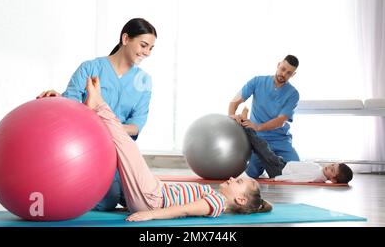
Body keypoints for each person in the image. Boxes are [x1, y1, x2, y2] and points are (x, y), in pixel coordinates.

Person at [84, 76, 273, 221]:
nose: (233, 178)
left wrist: (150, 215)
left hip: (153, 199)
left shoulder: (218, 203)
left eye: (239, 183)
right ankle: (96, 110)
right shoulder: (216, 197)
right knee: (123, 154)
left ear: (240, 200)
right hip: (152, 194)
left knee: (126, 146)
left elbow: (184, 210)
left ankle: (99, 105)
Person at [37, 18, 157, 211]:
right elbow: (71, 106)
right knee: (107, 200)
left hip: (121, 155)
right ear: (126, 39)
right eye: (144, 45)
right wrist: (56, 99)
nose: (147, 53)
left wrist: (108, 127)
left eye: (151, 48)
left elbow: (136, 125)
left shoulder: (144, 81)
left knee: (145, 198)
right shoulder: (90, 68)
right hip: (90, 151)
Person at [229, 55, 300, 179]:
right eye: (283, 69)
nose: (283, 74)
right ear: (278, 65)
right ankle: (270, 164)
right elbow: (234, 102)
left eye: (289, 73)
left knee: (296, 170)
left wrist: (257, 126)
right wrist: (232, 116)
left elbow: (281, 121)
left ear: (293, 75)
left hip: (281, 140)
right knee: (252, 172)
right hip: (259, 139)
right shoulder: (257, 81)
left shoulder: (293, 94)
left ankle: (273, 163)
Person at [245, 128, 353, 183]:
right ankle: (249, 133)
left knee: (263, 148)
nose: (329, 167)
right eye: (333, 165)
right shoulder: (320, 171)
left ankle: (246, 129)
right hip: (283, 164)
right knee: (263, 150)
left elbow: (297, 178)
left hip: (280, 170)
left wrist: (277, 179)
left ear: (333, 180)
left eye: (332, 170)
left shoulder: (316, 176)